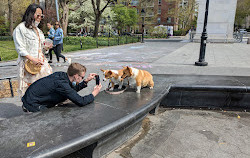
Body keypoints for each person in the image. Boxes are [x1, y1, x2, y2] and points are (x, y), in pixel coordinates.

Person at [22, 63, 102, 112]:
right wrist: (94, 93)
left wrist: (86, 81)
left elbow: (70, 91)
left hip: (30, 96)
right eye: (82, 77)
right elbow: (81, 101)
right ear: (76, 76)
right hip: (32, 104)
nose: (82, 79)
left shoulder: (61, 75)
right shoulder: (62, 84)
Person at [13, 4, 53, 96]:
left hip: (41, 63)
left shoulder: (38, 30)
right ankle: (29, 106)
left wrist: (46, 47)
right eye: (37, 15)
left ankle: (42, 103)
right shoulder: (20, 28)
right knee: (30, 88)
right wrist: (32, 59)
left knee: (46, 82)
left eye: (41, 16)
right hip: (28, 64)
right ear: (30, 14)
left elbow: (41, 47)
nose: (39, 18)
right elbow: (20, 48)